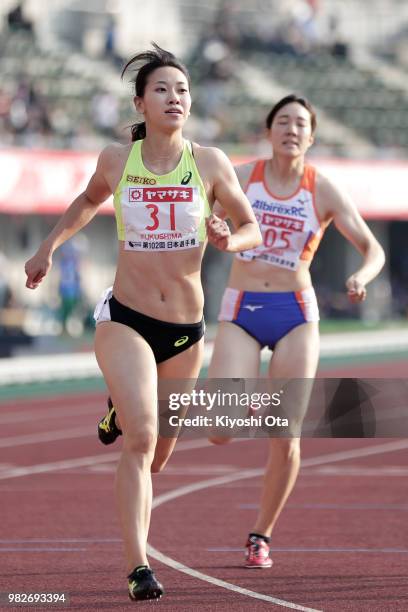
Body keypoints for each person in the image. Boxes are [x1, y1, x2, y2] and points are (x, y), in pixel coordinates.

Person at [24, 43, 261, 601]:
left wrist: (232, 237)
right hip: (126, 318)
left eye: (182, 90)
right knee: (142, 437)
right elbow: (87, 201)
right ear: (140, 102)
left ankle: (119, 407)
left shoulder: (211, 163)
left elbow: (250, 226)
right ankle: (138, 566)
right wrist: (47, 248)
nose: (174, 98)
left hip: (184, 332)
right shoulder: (117, 159)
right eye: (162, 89)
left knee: (160, 454)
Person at [207, 94, 385, 569]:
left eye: (300, 123)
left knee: (286, 435)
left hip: (296, 314)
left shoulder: (322, 189)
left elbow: (373, 251)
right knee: (220, 430)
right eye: (282, 121)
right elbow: (196, 214)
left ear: (312, 135)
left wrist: (359, 278)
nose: (291, 128)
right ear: (268, 131)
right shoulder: (244, 177)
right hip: (243, 306)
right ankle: (253, 401)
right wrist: (214, 228)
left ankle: (260, 535)